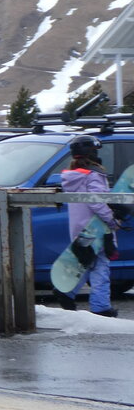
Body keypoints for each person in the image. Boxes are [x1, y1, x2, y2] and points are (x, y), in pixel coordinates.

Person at [53, 135, 122, 317]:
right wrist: (112, 220)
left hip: (79, 228)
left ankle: (67, 292)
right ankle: (100, 307)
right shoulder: (94, 175)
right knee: (100, 266)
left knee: (87, 263)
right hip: (96, 228)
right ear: (92, 153)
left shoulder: (71, 176)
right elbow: (97, 202)